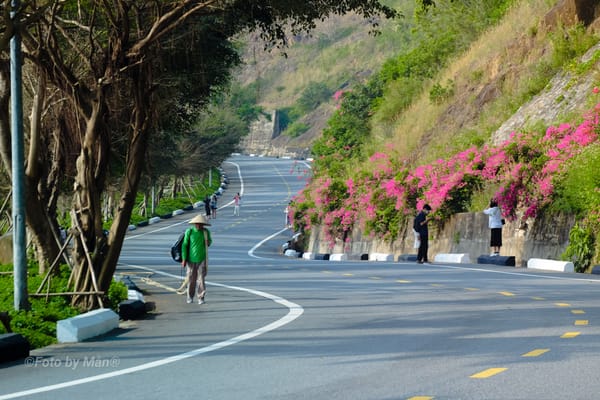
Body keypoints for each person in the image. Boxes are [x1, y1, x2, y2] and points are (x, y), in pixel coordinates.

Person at [181, 214, 212, 304]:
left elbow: (209, 243)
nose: (199, 225)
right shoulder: (189, 232)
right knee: (191, 279)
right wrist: (184, 259)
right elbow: (185, 245)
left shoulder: (206, 232)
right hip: (190, 260)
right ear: (194, 224)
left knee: (201, 279)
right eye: (197, 224)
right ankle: (190, 297)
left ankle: (201, 297)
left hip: (202, 259)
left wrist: (207, 242)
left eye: (201, 224)